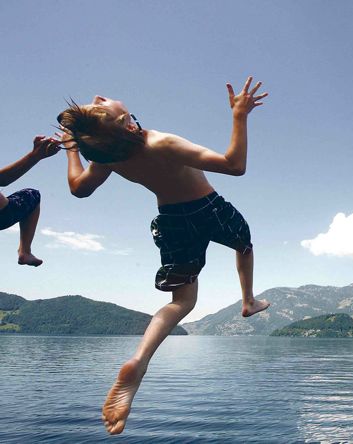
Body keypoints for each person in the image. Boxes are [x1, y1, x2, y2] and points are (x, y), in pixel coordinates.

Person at [56, 77, 270, 435]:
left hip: (171, 220)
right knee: (244, 244)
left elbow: (79, 189)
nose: (99, 95)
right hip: (208, 207)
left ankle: (140, 360)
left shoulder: (111, 155)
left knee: (181, 301)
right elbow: (234, 165)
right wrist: (239, 116)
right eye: (100, 104)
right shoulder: (162, 143)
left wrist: (71, 151)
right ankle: (248, 300)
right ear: (126, 122)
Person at [0, 136, 60, 266]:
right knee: (32, 194)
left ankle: (25, 252)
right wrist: (35, 155)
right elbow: (3, 179)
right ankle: (25, 251)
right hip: (4, 214)